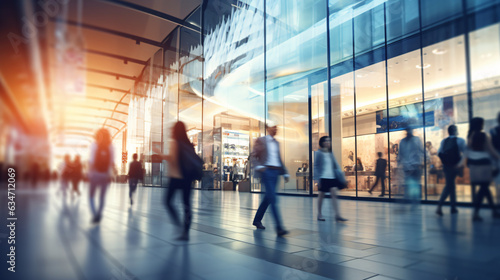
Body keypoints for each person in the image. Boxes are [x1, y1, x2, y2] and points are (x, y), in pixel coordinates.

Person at [251, 122, 289, 236]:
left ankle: (257, 220)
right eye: (273, 127)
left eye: (277, 127)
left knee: (268, 198)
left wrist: (285, 172)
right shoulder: (261, 140)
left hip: (276, 172)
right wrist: (259, 166)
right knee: (273, 199)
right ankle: (279, 227)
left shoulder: (277, 143)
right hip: (266, 172)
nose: (275, 129)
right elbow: (253, 155)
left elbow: (279, 159)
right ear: (267, 128)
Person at [164, 121, 196, 240]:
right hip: (187, 178)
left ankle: (178, 224)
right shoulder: (188, 144)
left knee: (167, 201)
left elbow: (171, 159)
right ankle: (186, 231)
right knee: (187, 205)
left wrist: (160, 154)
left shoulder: (175, 142)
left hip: (176, 177)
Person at [466, 117, 500, 221]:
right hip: (484, 165)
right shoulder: (484, 135)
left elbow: (468, 151)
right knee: (483, 188)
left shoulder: (470, 136)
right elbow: (491, 150)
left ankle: (494, 211)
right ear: (480, 124)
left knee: (484, 188)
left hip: (474, 166)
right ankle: (476, 213)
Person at [314, 136, 348, 222]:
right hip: (323, 177)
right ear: (322, 143)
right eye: (326, 141)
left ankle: (337, 215)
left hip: (332, 177)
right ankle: (319, 214)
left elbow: (335, 165)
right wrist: (317, 179)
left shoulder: (330, 153)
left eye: (329, 141)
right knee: (321, 196)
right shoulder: (319, 153)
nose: (328, 142)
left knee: (334, 195)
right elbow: (316, 166)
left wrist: (341, 175)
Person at [436, 125, 466, 216]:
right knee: (449, 186)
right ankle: (440, 206)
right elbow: (465, 153)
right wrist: (460, 164)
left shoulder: (444, 141)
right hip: (456, 165)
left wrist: (445, 162)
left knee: (451, 185)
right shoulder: (460, 140)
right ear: (456, 131)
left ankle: (453, 207)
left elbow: (439, 153)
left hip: (447, 167)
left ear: (448, 132)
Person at [88, 128, 114, 224]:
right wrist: (110, 174)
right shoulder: (111, 146)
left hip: (95, 174)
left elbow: (91, 161)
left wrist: (90, 173)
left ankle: (95, 215)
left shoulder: (94, 145)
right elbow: (112, 163)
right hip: (105, 175)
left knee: (91, 196)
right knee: (102, 197)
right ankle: (99, 213)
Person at [398, 127, 424, 206]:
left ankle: (413, 201)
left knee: (413, 183)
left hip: (414, 166)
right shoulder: (403, 141)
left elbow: (421, 152)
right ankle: (411, 200)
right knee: (409, 183)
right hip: (408, 167)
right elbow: (400, 155)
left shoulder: (416, 140)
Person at [490, 112, 500, 206]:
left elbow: (491, 146)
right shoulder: (493, 131)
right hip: (496, 157)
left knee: (497, 182)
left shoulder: (493, 131)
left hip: (496, 157)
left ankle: (498, 202)